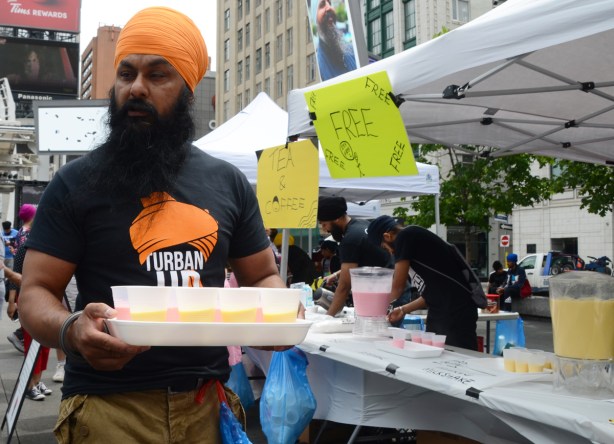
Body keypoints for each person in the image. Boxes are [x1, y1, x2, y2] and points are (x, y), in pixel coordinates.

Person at [18, 7, 287, 442]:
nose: (136, 88)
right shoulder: (74, 181)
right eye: (126, 74)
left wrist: (276, 319)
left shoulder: (228, 182)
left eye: (157, 75)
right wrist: (71, 329)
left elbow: (263, 276)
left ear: (188, 88)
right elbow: (36, 291)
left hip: (207, 405)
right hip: (109, 410)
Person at [368, 216, 487, 351]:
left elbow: (398, 286)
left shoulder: (405, 236)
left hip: (456, 311)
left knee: (460, 360)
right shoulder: (413, 244)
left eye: (384, 247)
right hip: (442, 311)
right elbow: (430, 293)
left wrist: (372, 312)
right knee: (436, 359)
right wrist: (403, 309)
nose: (389, 252)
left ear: (387, 236)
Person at [7, 204, 53, 400]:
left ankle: (37, 380)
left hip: (47, 295)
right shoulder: (26, 239)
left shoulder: (45, 239)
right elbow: (17, 272)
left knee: (44, 342)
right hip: (30, 295)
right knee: (32, 341)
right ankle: (30, 384)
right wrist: (12, 300)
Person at [317, 196, 390, 316]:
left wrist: (328, 317)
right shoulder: (362, 224)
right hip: (390, 291)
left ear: (336, 219)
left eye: (324, 224)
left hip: (389, 296)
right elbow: (367, 259)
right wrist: (336, 274)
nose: (325, 230)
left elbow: (344, 286)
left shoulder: (350, 239)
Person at [310, 0, 357, 81]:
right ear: (315, 18)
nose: (329, 8)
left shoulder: (352, 50)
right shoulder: (318, 65)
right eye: (322, 5)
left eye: (330, 3)